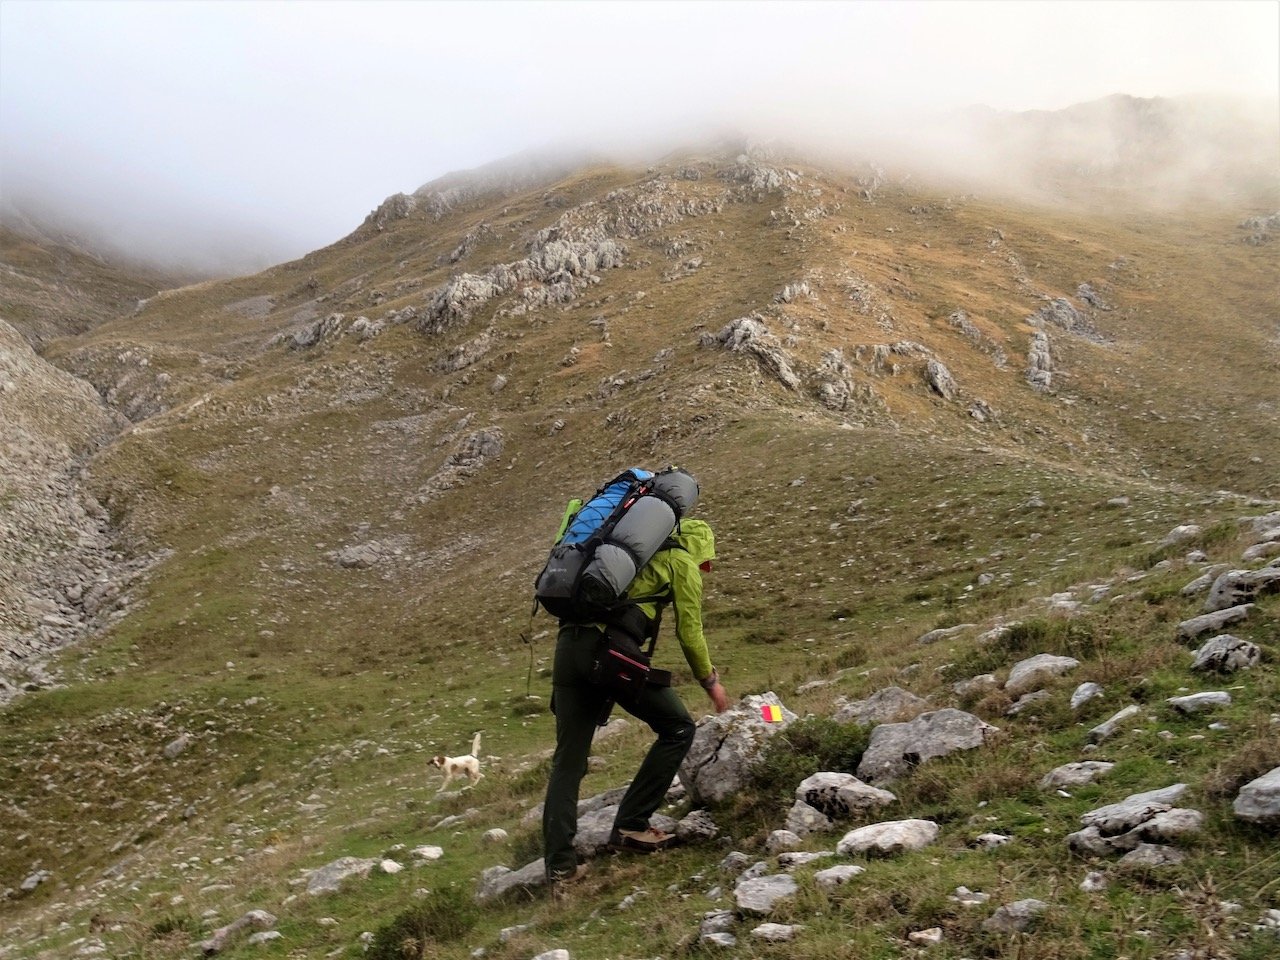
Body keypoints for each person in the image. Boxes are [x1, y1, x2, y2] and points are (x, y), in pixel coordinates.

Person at [542, 517, 729, 889]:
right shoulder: (681, 563)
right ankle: (632, 825)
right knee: (677, 726)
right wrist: (712, 684)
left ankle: (561, 870)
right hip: (610, 656)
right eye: (707, 559)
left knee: (568, 761)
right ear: (701, 547)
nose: (705, 568)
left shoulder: (620, 556)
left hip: (569, 649)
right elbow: (689, 632)